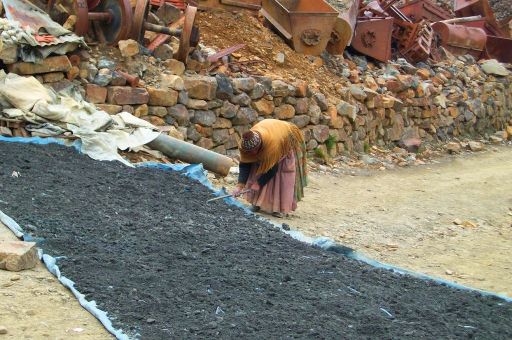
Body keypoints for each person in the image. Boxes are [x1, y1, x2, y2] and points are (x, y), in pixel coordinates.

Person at [232, 118, 307, 217]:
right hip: (270, 132)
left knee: (281, 175)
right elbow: (245, 164)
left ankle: (280, 208)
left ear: (260, 144)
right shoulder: (245, 145)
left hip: (284, 137)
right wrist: (240, 186)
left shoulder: (272, 145)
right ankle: (257, 203)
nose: (253, 153)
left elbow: (272, 169)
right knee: (256, 169)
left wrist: (259, 183)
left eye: (255, 150)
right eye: (250, 152)